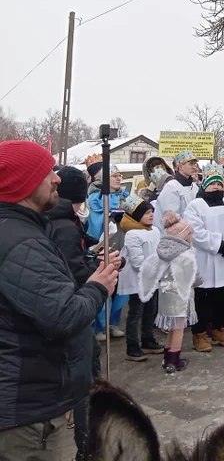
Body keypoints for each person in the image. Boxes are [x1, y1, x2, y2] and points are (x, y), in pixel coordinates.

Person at [0, 140, 119, 459]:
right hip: (23, 412)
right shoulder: (21, 243)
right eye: (47, 173)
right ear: (22, 183)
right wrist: (98, 286)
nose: (57, 179)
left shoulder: (20, 232)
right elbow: (62, 316)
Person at [44, 165, 101, 459]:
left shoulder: (58, 219)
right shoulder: (65, 225)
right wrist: (101, 270)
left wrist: (91, 250)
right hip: (71, 309)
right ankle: (87, 447)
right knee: (85, 377)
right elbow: (72, 270)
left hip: (62, 309)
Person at [184, 164, 224, 352]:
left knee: (223, 298)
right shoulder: (195, 206)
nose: (216, 188)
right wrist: (220, 245)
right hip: (207, 259)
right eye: (212, 185)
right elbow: (196, 232)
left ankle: (220, 329)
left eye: (219, 185)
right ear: (205, 186)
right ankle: (200, 334)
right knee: (205, 300)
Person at [140, 211, 200, 373]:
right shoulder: (185, 253)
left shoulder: (163, 250)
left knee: (172, 327)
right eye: (189, 233)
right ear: (183, 235)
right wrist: (199, 281)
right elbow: (192, 274)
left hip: (166, 293)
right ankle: (174, 360)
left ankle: (167, 355)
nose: (191, 237)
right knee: (179, 328)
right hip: (181, 295)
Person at [117, 195, 163, 362]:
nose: (151, 215)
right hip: (139, 280)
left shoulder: (155, 230)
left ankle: (147, 339)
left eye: (151, 212)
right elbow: (137, 262)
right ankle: (132, 346)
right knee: (136, 312)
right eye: (146, 213)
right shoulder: (133, 234)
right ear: (136, 215)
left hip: (153, 277)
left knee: (150, 309)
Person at [87, 163, 129, 341]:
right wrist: (111, 215)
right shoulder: (97, 198)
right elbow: (96, 222)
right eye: (114, 175)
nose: (119, 178)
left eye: (120, 175)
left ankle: (113, 322)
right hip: (104, 247)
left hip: (121, 244)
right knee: (104, 285)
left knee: (120, 288)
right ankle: (99, 326)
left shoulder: (124, 197)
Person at [153, 150, 200, 229]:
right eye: (191, 164)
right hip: (176, 235)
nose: (194, 167)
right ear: (180, 166)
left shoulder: (194, 187)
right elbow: (171, 218)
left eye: (194, 164)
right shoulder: (171, 187)